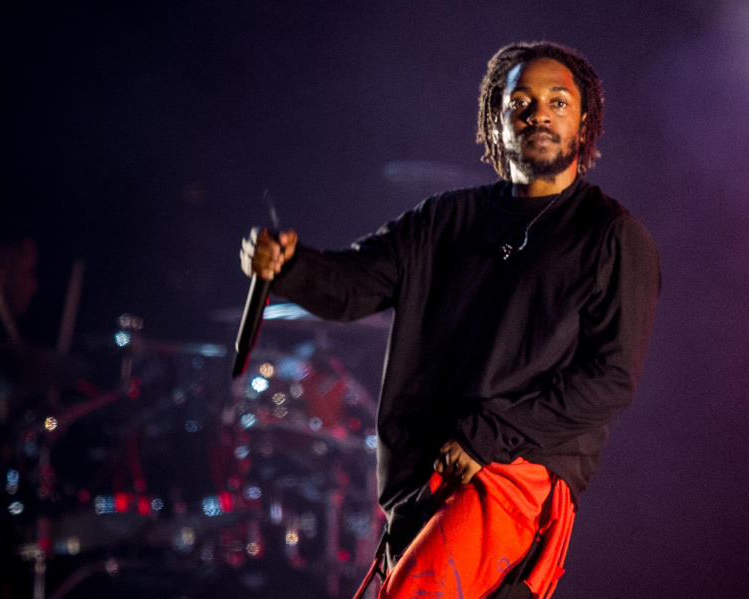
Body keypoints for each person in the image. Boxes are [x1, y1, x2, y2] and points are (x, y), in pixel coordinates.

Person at [239, 41, 660, 598]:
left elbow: (609, 379)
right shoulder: (445, 219)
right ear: (495, 120)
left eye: (559, 101)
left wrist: (488, 436)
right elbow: (352, 286)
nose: (540, 113)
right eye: (522, 102)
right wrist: (288, 267)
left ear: (585, 124)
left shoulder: (611, 235)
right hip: (423, 475)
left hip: (511, 473)